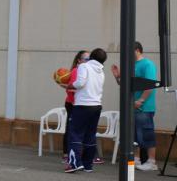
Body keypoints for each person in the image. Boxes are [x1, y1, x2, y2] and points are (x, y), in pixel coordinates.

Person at [111, 42, 158, 171]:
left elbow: (150, 85)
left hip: (144, 106)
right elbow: (126, 85)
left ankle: (152, 161)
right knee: (134, 134)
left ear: (136, 50)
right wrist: (118, 77)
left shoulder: (147, 64)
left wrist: (141, 100)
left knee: (146, 133)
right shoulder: (131, 65)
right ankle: (136, 159)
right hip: (132, 105)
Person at [65, 48, 107, 173]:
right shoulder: (101, 71)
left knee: (75, 134)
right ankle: (87, 164)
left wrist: (70, 85)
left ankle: (74, 164)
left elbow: (80, 83)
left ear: (92, 57)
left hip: (82, 105)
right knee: (90, 134)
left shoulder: (84, 66)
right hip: (96, 106)